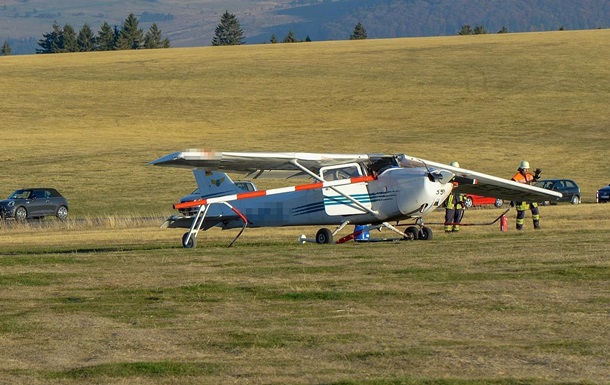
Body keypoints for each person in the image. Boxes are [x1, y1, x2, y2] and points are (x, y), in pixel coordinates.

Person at [511, 160, 542, 230]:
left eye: (527, 169)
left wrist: (537, 175)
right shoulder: (516, 178)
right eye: (525, 169)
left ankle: (536, 226)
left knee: (535, 211)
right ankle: (519, 229)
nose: (527, 170)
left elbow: (535, 179)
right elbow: (512, 188)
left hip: (530, 197)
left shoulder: (529, 175)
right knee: (521, 214)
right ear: (521, 169)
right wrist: (513, 199)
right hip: (521, 198)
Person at [444, 161, 466, 233]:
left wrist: (464, 200)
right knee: (449, 215)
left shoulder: (461, 177)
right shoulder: (448, 177)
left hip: (458, 199)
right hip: (451, 198)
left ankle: (456, 229)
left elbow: (464, 190)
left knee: (458, 214)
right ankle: (448, 230)